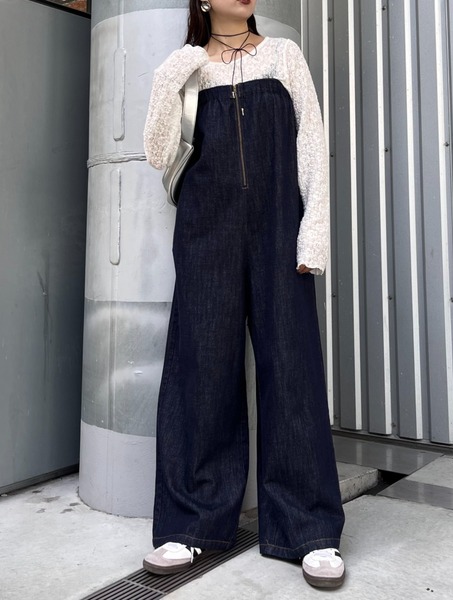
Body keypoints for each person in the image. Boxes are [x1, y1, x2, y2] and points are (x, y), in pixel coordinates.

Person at [142, 0, 345, 589]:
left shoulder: (283, 56)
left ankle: (309, 530)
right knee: (200, 370)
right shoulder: (187, 67)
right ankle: (190, 522)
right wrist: (174, 72)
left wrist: (313, 234)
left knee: (293, 370)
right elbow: (158, 153)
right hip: (206, 232)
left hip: (280, 229)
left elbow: (312, 144)